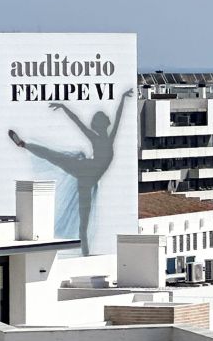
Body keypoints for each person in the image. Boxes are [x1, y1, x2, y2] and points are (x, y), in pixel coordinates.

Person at [8, 91, 129, 253]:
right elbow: (78, 122)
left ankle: (85, 254)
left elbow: (118, 116)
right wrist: (64, 107)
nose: (109, 121)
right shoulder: (101, 138)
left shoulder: (105, 138)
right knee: (54, 156)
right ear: (103, 124)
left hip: (87, 178)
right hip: (86, 172)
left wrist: (122, 99)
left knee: (83, 221)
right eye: (106, 120)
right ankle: (24, 145)